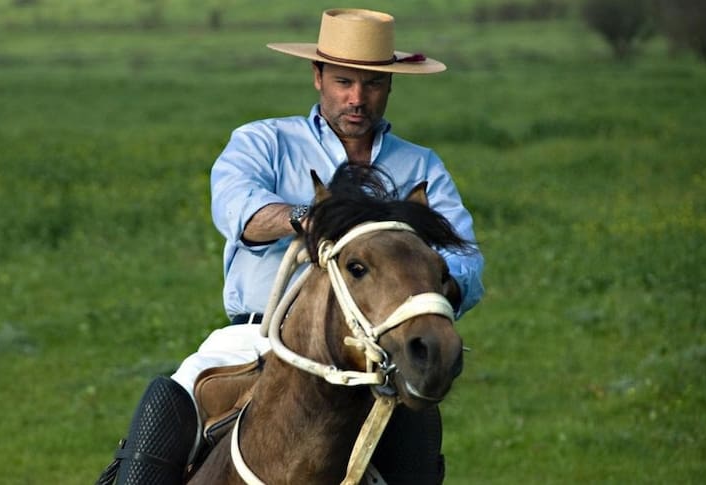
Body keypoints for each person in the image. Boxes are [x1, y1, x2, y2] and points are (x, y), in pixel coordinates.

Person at [98, 8, 484, 485]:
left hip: (374, 353)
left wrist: (428, 300)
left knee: (419, 431)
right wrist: (307, 218)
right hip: (258, 337)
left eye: (372, 84)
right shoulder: (263, 141)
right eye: (344, 82)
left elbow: (465, 259)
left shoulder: (421, 166)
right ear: (317, 76)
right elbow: (238, 209)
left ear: (390, 86)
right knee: (168, 401)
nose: (357, 98)